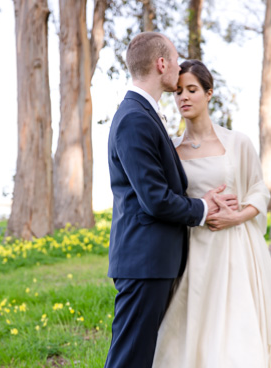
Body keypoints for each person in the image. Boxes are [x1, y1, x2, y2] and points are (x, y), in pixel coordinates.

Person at [151, 60, 271, 367]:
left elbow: (258, 189)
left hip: (234, 248)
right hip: (192, 251)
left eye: (192, 90)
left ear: (209, 93)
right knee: (191, 330)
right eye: (177, 92)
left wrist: (237, 217)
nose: (183, 98)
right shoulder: (172, 149)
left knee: (236, 331)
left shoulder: (236, 143)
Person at [105, 32, 238, 368]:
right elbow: (155, 199)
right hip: (143, 262)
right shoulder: (135, 118)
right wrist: (204, 208)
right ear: (161, 63)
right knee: (129, 357)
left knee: (141, 354)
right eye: (176, 60)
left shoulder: (143, 113)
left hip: (153, 260)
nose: (179, 69)